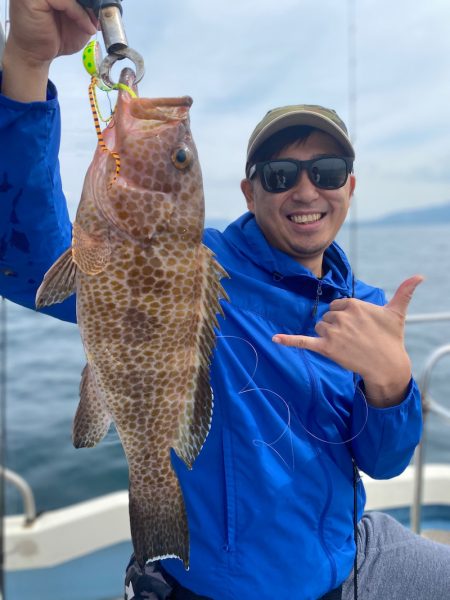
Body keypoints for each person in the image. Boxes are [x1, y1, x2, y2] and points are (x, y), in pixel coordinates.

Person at [1, 2, 450, 599]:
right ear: (248, 190)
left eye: (329, 170)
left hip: (340, 567)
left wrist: (392, 385)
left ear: (351, 185)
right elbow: (27, 257)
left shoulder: (365, 308)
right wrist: (27, 62)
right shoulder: (191, 265)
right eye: (280, 175)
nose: (306, 190)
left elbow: (384, 461)